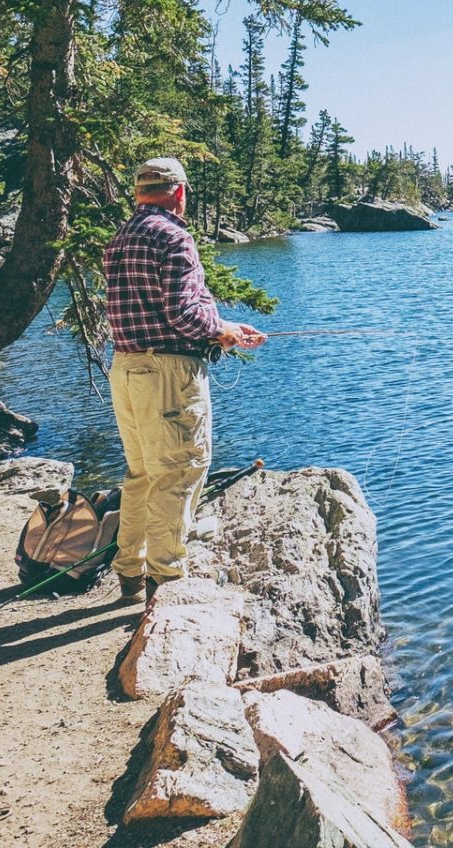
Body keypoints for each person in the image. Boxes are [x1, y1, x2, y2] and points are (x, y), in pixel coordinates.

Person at [102, 157, 265, 602]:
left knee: (140, 475)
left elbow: (161, 310)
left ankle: (130, 574)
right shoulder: (174, 236)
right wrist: (220, 332)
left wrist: (225, 324)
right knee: (179, 473)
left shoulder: (120, 238)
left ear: (140, 192)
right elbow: (182, 313)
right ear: (179, 192)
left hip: (127, 367)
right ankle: (168, 584)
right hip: (168, 375)